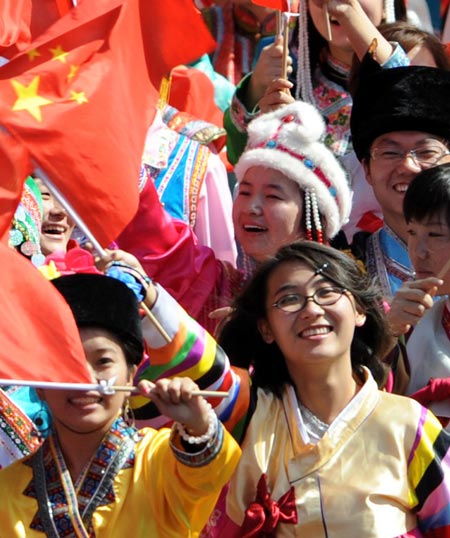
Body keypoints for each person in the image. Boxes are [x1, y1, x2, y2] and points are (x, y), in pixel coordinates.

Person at [123, 239, 450, 535]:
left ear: (359, 310)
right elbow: (202, 365)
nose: (311, 309)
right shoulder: (250, 415)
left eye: (327, 292)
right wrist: (150, 297)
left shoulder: (410, 425)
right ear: (266, 328)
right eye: (289, 300)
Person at [0, 272, 241, 536]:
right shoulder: (6, 490)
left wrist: (197, 422)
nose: (87, 380)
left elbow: (208, 472)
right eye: (68, 363)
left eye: (103, 361)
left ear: (130, 374)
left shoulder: (160, 461)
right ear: (39, 384)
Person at [117, 99, 351, 353]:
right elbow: (157, 240)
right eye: (245, 192)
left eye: (273, 196)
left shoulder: (341, 299)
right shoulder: (213, 284)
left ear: (312, 212)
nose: (252, 207)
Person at [224, 0, 407, 239]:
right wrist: (258, 95)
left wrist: (351, 13)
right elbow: (241, 163)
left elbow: (405, 92)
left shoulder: (417, 52)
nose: (334, 3)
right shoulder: (289, 76)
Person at [349, 62, 450, 300]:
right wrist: (389, 332)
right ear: (367, 170)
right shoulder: (346, 269)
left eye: (425, 153)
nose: (407, 165)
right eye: (390, 153)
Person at [387, 163, 450, 427]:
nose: (418, 251)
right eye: (412, 232)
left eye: (434, 234)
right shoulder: (415, 325)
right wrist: (387, 335)